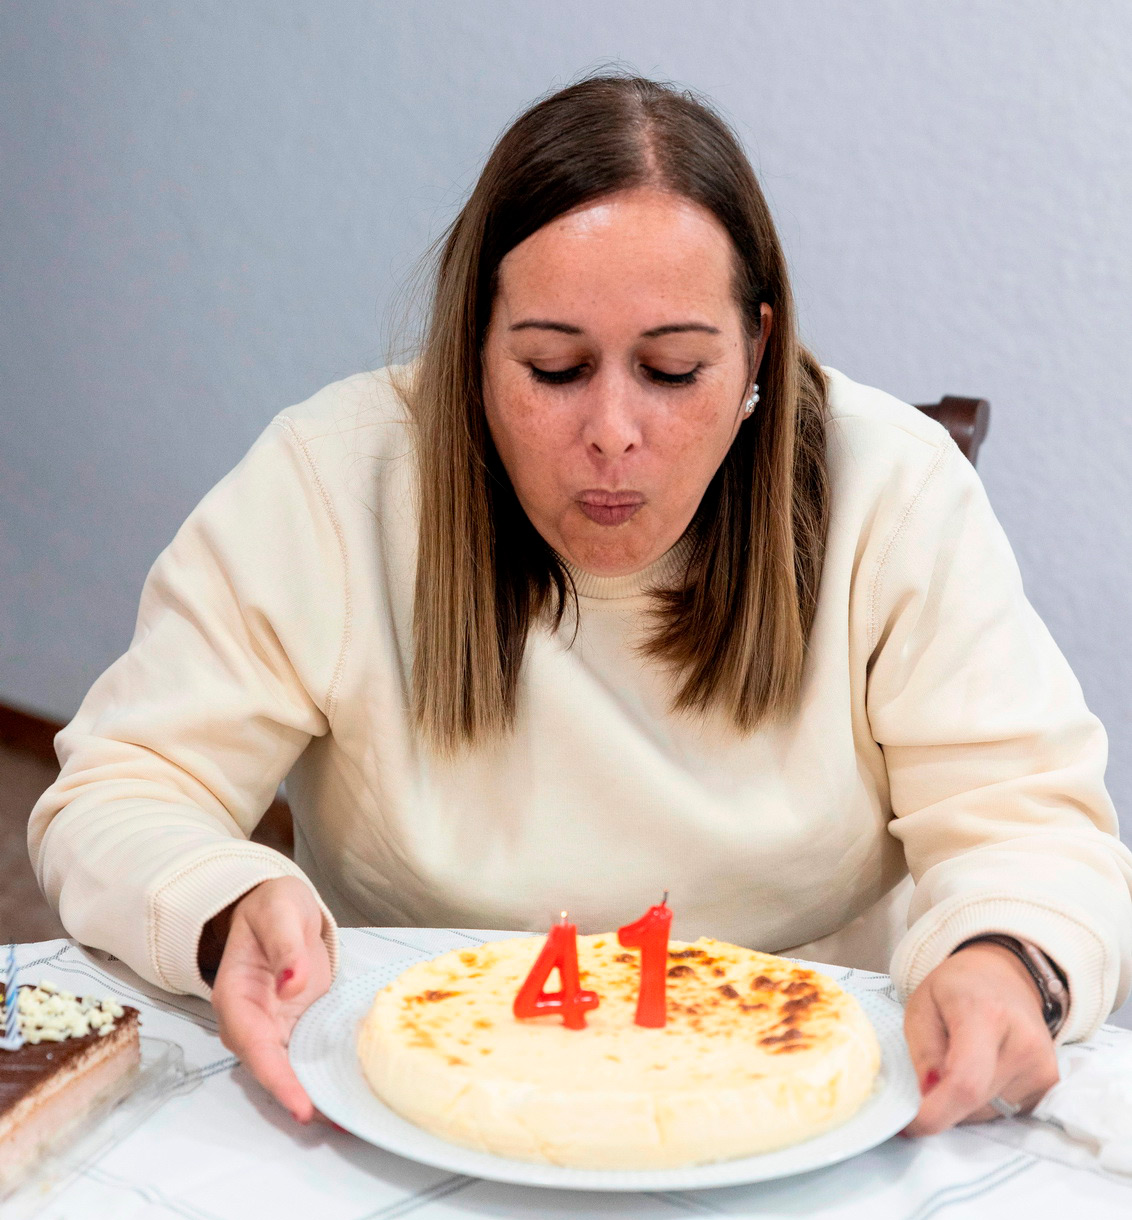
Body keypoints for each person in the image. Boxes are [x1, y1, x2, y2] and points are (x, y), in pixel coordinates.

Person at [29, 75, 1132, 1139]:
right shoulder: (333, 483)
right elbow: (125, 787)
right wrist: (223, 899)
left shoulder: (890, 490)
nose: (612, 432)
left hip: (806, 1092)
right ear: (473, 348)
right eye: (553, 368)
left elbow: (1026, 824)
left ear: (756, 348)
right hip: (414, 1089)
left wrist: (1005, 956)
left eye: (674, 369)